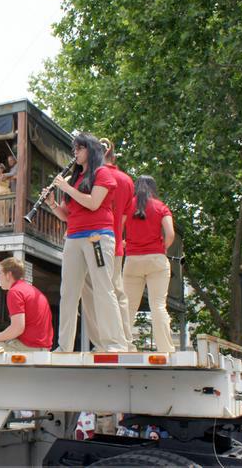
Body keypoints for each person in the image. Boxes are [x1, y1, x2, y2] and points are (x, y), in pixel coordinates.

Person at [51, 132, 125, 352]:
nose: (75, 152)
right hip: (73, 237)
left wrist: (65, 188)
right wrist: (52, 204)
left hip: (98, 236)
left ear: (90, 150)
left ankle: (115, 344)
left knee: (104, 289)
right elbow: (66, 215)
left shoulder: (102, 173)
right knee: (68, 293)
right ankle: (64, 346)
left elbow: (93, 203)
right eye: (74, 149)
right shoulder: (75, 178)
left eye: (79, 148)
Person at [80, 142, 136, 351]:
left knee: (93, 291)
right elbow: (123, 218)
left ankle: (103, 343)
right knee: (116, 293)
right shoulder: (127, 181)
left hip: (94, 240)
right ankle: (126, 341)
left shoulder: (94, 176)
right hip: (114, 244)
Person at [123, 175, 176, 352]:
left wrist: (125, 244)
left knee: (128, 306)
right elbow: (170, 234)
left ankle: (125, 345)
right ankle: (165, 348)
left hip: (132, 260)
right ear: (153, 188)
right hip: (156, 259)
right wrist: (163, 247)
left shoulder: (127, 205)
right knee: (158, 305)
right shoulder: (161, 207)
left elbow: (117, 228)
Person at [0, 257, 53, 352]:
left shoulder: (14, 292)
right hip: (43, 349)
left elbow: (18, 328)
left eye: (0, 273)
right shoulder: (34, 291)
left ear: (8, 275)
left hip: (27, 347)